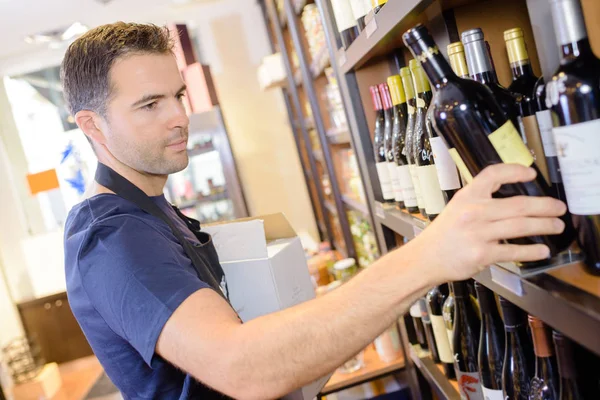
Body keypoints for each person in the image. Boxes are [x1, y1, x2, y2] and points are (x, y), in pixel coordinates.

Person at [62, 22, 566, 399]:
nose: (180, 117)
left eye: (177, 95)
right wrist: (432, 253)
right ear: (93, 125)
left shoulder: (155, 211)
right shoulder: (109, 235)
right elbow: (241, 366)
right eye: (150, 105)